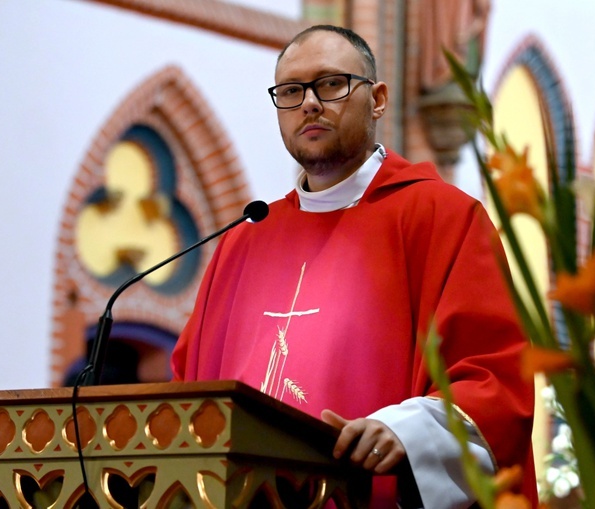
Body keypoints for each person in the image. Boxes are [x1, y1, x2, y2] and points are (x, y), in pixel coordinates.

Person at [171, 25, 536, 508]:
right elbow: (187, 396)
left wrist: (406, 433)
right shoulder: (243, 240)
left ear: (378, 99)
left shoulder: (442, 218)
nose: (310, 104)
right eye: (291, 91)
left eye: (331, 84)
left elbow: (495, 380)